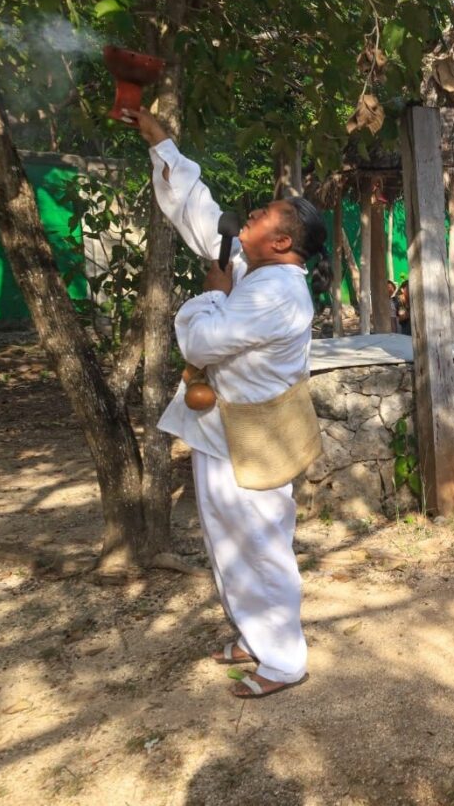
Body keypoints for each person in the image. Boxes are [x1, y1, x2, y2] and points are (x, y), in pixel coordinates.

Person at [127, 108, 318, 699]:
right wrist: (164, 146)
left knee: (260, 546)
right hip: (222, 432)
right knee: (225, 540)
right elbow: (200, 216)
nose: (250, 216)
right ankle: (253, 635)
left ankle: (284, 660)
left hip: (255, 439)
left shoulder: (279, 293)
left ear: (281, 241)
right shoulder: (251, 265)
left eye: (261, 217)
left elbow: (202, 340)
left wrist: (212, 295)